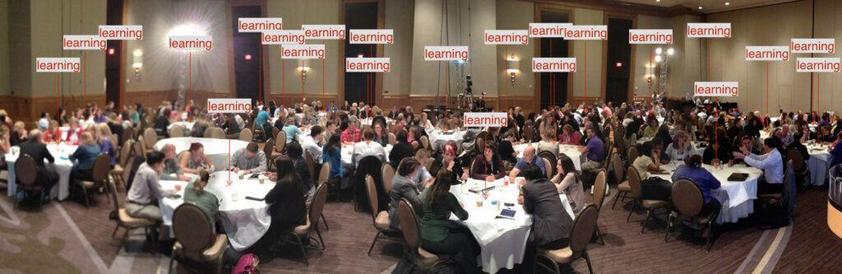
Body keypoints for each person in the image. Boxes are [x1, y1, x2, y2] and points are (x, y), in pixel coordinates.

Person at [418, 170, 478, 273]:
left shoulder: (427, 191)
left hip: (422, 237)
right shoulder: (448, 196)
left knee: (459, 229)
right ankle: (472, 269)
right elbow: (463, 216)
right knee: (464, 238)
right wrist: (457, 206)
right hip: (437, 241)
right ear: (449, 184)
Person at [518, 163, 574, 274]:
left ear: (527, 178)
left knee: (525, 239)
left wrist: (524, 201)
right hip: (571, 233)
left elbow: (529, 209)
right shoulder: (550, 184)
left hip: (552, 239)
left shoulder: (528, 187)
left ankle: (530, 269)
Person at [251, 157, 306, 260]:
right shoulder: (296, 177)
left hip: (289, 218)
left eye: (277, 168)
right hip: (299, 212)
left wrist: (275, 185)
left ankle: (264, 248)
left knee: (263, 216)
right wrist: (277, 178)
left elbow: (268, 199)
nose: (276, 170)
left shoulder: (283, 183)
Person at [126, 151, 180, 221]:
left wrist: (159, 169)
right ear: (156, 164)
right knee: (167, 215)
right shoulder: (150, 173)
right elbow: (160, 193)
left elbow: (156, 182)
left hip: (132, 202)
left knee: (160, 206)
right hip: (137, 207)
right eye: (162, 162)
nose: (163, 165)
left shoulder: (144, 165)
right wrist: (174, 190)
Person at [388, 158, 432, 230]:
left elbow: (413, 187)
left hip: (399, 210)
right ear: (409, 170)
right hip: (400, 217)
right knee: (430, 214)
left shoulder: (401, 177)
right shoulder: (404, 184)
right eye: (416, 169)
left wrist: (422, 184)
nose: (417, 171)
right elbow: (418, 202)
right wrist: (427, 188)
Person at [18, 130, 59, 198]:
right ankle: (45, 194)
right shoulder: (42, 146)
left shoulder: (22, 145)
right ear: (39, 137)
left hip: (22, 175)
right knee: (55, 176)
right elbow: (51, 160)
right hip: (37, 177)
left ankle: (30, 192)